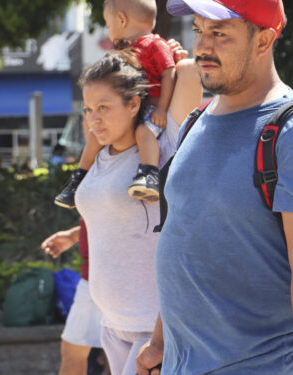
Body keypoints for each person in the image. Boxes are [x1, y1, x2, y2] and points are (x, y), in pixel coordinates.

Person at [136, 1, 293, 374]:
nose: (202, 47)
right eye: (199, 31)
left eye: (219, 33)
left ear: (263, 40)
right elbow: (184, 239)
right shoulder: (195, 121)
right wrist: (160, 342)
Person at [72, 51, 195, 375]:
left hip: (153, 327)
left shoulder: (161, 146)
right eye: (88, 110)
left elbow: (191, 71)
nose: (93, 119)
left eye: (103, 108)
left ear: (133, 105)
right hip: (111, 323)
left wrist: (168, 57)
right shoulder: (98, 152)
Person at [54, 0, 201, 208]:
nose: (109, 30)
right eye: (89, 110)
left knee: (144, 132)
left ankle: (149, 173)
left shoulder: (155, 44)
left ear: (121, 19)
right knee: (96, 137)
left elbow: (170, 74)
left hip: (151, 108)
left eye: (108, 23)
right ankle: (79, 177)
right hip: (142, 109)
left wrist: (161, 107)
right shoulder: (124, 50)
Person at [40, 220, 107, 375]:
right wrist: (74, 235)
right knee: (73, 349)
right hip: (92, 278)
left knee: (130, 355)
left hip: (131, 277)